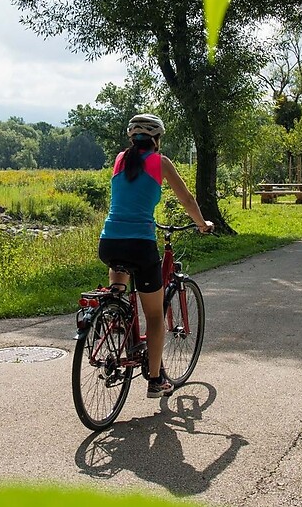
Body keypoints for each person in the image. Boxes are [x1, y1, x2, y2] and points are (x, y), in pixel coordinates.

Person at [98, 113, 213, 399]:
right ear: (156, 139)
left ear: (131, 138)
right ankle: (154, 379)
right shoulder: (160, 162)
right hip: (139, 244)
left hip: (109, 241)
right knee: (154, 316)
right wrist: (202, 223)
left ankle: (116, 316)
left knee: (120, 291)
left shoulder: (120, 159)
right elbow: (186, 198)